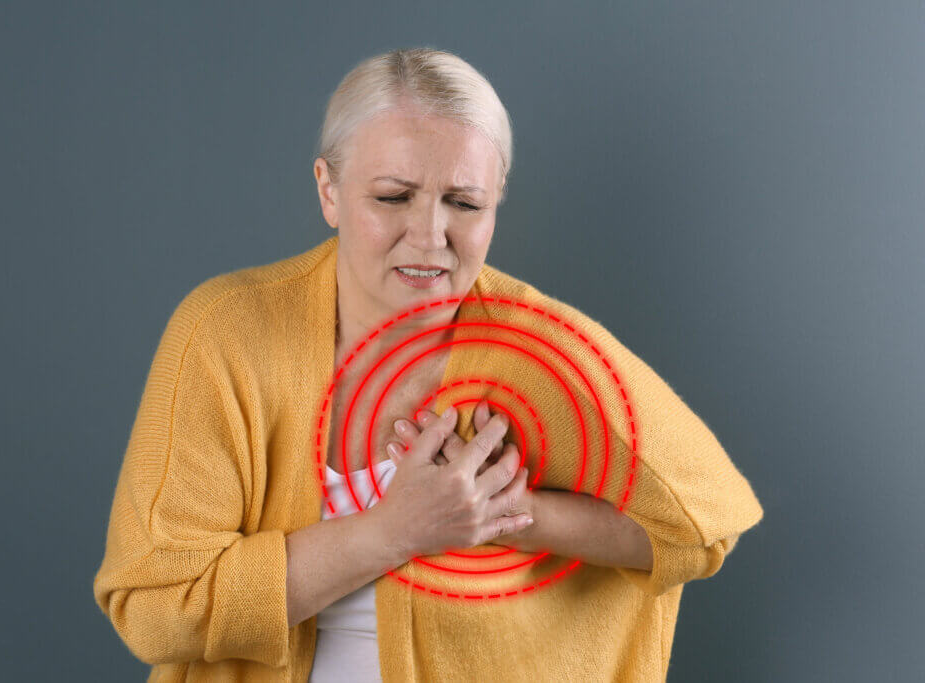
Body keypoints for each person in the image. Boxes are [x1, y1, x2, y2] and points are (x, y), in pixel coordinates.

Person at [93, 47, 764, 682]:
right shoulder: (226, 334)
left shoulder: (544, 353)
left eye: (464, 203)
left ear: (496, 201)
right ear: (328, 191)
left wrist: (507, 511)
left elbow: (700, 531)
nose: (430, 235)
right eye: (393, 197)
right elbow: (155, 602)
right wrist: (393, 530)